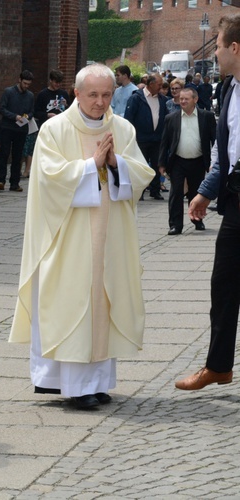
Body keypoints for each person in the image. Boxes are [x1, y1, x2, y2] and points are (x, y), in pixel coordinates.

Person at [9, 63, 154, 409]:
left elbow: (141, 173)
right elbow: (48, 179)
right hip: (68, 237)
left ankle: (99, 381)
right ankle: (73, 386)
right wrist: (92, 165)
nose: (101, 102)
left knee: (104, 300)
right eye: (93, 95)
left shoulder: (122, 129)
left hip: (109, 236)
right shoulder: (55, 130)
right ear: (76, 93)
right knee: (72, 302)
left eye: (106, 95)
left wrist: (116, 164)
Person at [175, 15, 240, 391]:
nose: (213, 51)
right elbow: (225, 153)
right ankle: (219, 366)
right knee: (224, 286)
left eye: (216, 45)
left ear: (234, 47)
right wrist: (205, 190)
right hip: (234, 204)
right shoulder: (228, 88)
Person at [158, 87, 217, 236]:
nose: (182, 101)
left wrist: (214, 162)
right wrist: (161, 163)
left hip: (198, 161)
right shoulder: (171, 118)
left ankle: (197, 220)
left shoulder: (206, 116)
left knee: (196, 192)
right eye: (180, 99)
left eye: (186, 99)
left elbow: (215, 140)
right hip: (178, 161)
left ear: (195, 100)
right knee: (176, 193)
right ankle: (175, 225)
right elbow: (164, 143)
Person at [124, 73, 169, 200]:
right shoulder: (136, 98)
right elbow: (129, 118)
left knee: (156, 165)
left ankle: (155, 190)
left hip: (157, 139)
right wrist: (131, 136)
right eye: (159, 84)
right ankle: (140, 192)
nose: (161, 87)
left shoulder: (162, 100)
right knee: (140, 166)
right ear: (151, 84)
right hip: (141, 139)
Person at [0, 70, 34, 192]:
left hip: (21, 129)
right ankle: (1, 180)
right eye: (24, 83)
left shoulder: (30, 96)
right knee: (4, 154)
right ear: (19, 80)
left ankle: (14, 182)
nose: (26, 86)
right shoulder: (9, 92)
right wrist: (15, 116)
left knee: (17, 157)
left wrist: (27, 117)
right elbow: (2, 109)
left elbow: (31, 112)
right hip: (7, 127)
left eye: (28, 84)